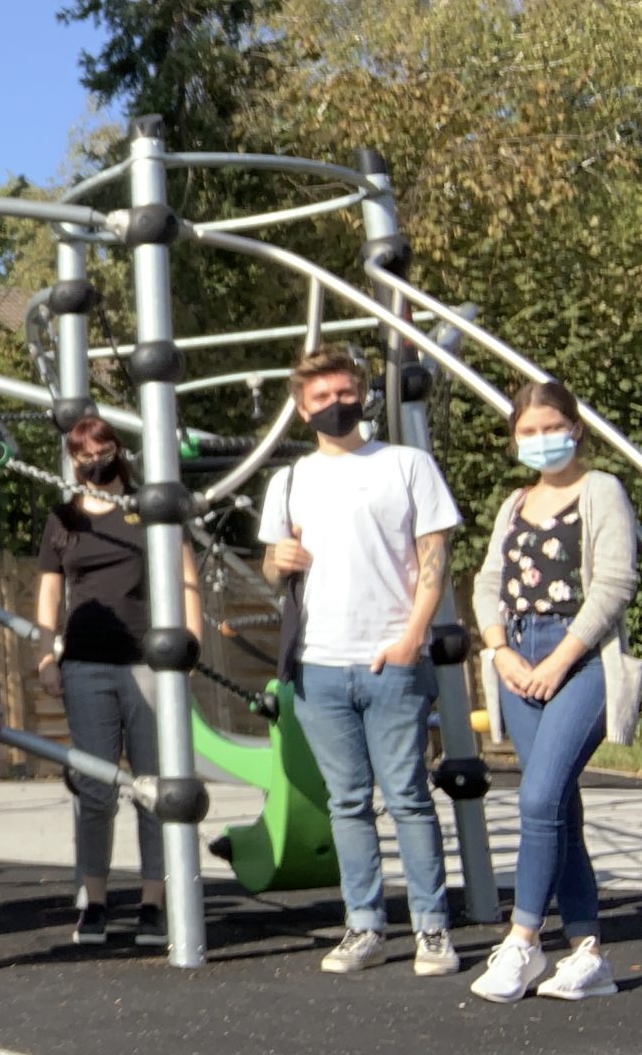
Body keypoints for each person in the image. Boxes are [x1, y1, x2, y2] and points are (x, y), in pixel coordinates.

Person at [258, 345, 461, 977]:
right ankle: (363, 923)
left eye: (344, 393)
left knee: (407, 797)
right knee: (347, 802)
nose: (334, 405)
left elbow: (435, 560)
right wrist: (276, 563)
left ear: (364, 393)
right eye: (320, 398)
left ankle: (432, 928)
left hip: (390, 658)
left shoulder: (406, 464)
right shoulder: (288, 479)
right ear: (300, 408)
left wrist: (411, 639)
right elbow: (273, 567)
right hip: (318, 664)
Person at [467, 381, 638, 1003]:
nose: (541, 441)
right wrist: (500, 649)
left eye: (551, 427)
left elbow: (615, 583)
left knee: (537, 797)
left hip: (581, 657)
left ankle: (523, 940)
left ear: (576, 428)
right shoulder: (515, 503)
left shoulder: (601, 492)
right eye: (528, 431)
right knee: (559, 810)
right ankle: (589, 954)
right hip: (518, 654)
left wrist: (561, 659)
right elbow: (489, 581)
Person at [34, 417, 202, 948]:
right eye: (82, 454)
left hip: (148, 662)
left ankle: (153, 902)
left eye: (101, 449)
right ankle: (96, 900)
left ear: (118, 450)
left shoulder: (147, 510)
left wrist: (189, 644)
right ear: (71, 460)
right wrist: (45, 656)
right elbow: (48, 596)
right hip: (86, 663)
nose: (94, 460)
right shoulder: (64, 520)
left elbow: (185, 576)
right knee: (96, 788)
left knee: (154, 786)